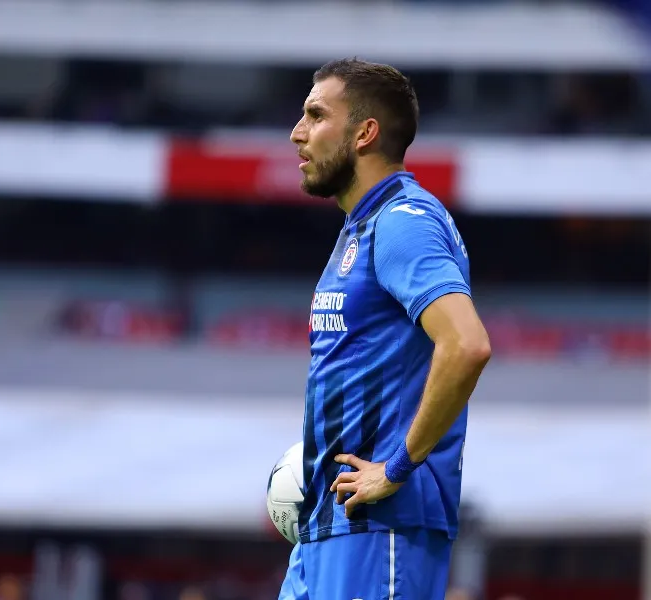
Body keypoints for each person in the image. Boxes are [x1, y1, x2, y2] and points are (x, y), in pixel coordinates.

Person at [279, 58, 492, 600]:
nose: (297, 133)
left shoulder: (402, 222)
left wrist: (395, 468)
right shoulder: (362, 226)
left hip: (383, 528)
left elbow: (466, 344)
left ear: (364, 133)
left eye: (316, 115)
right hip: (330, 525)